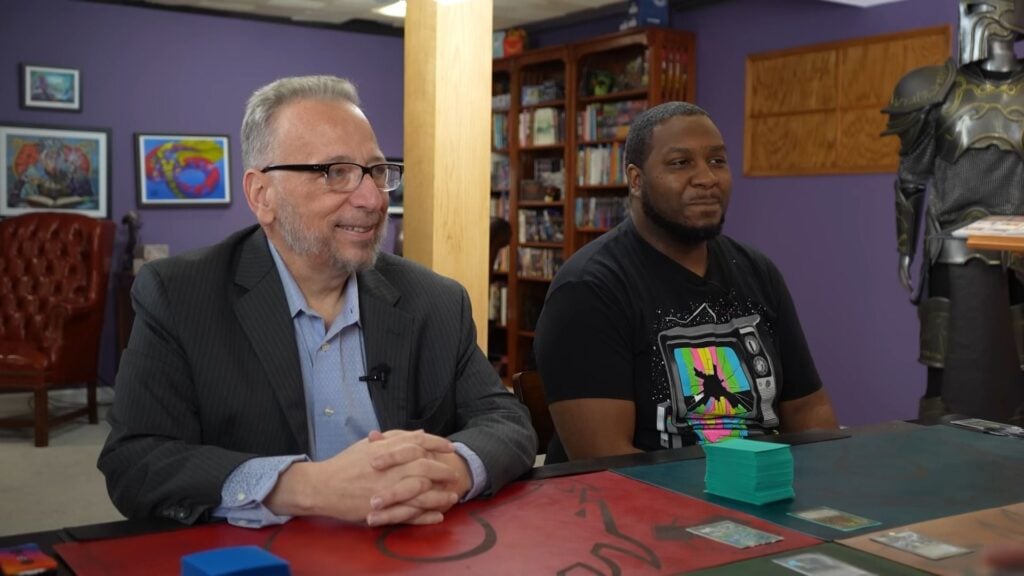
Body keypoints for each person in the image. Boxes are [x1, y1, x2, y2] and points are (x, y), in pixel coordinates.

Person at [99, 75, 536, 528]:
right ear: (262, 195)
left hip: (412, 546)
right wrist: (308, 488)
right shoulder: (178, 295)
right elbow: (136, 461)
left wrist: (451, 470)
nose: (372, 199)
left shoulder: (436, 300)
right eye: (335, 172)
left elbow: (505, 421)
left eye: (376, 171)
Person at [534, 102, 838, 463]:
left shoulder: (758, 272)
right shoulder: (588, 290)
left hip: (761, 485)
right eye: (680, 163)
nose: (707, 178)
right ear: (636, 180)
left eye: (717, 161)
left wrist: (824, 479)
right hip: (645, 496)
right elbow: (606, 461)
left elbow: (808, 410)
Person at [883, 0, 1024, 424]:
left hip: (1020, 246)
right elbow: (912, 178)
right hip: (952, 244)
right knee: (942, 375)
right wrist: (906, 248)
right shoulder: (936, 90)